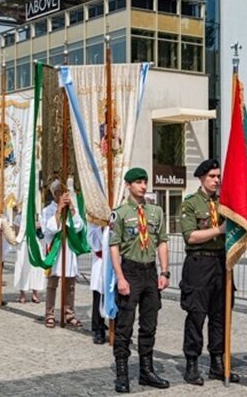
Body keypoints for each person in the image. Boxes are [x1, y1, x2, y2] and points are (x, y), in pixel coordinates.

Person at [109, 167, 170, 393]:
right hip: (130, 271)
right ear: (128, 185)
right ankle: (122, 373)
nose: (143, 186)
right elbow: (114, 247)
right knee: (124, 326)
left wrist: (164, 272)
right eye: (138, 182)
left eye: (145, 181)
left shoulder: (155, 212)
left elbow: (162, 241)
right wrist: (120, 278)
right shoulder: (120, 213)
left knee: (149, 325)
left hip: (150, 272)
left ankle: (146, 371)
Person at [179, 159, 239, 385]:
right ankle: (192, 364)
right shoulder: (191, 203)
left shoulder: (224, 204)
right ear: (202, 178)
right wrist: (219, 230)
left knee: (220, 315)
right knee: (196, 315)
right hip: (199, 264)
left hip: (221, 264)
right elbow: (191, 236)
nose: (216, 180)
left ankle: (217, 363)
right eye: (212, 176)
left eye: (218, 176)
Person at [42, 179, 84, 328]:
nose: (63, 195)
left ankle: (69, 313)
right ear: (54, 194)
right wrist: (59, 210)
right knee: (52, 284)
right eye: (59, 192)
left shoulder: (72, 208)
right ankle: (50, 314)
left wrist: (71, 208)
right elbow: (50, 229)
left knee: (70, 285)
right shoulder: (47, 210)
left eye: (65, 192)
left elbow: (79, 227)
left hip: (69, 249)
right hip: (55, 249)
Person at [13, 206, 44, 304]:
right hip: (23, 244)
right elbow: (18, 233)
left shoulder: (37, 217)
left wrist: (32, 226)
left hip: (35, 243)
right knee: (22, 267)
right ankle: (22, 294)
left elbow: (41, 227)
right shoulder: (18, 218)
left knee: (36, 268)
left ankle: (35, 294)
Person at [88, 222, 107, 344]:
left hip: (118, 261)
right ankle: (98, 328)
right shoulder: (93, 220)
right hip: (101, 262)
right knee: (99, 295)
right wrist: (102, 229)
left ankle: (119, 328)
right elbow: (93, 243)